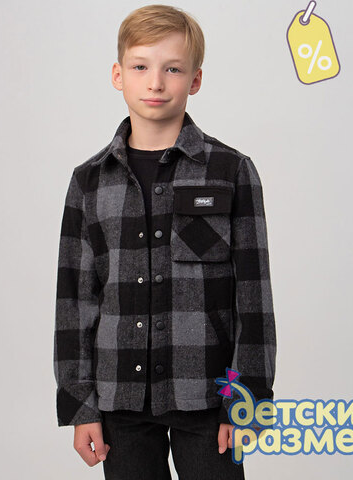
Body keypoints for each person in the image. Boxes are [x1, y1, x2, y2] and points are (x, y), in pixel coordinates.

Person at [53, 4, 276, 479]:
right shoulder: (89, 181)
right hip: (119, 400)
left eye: (172, 69)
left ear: (195, 80)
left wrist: (248, 399)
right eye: (140, 67)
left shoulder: (232, 171)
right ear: (118, 75)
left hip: (208, 396)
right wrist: (79, 404)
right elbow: (75, 301)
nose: (155, 82)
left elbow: (253, 298)